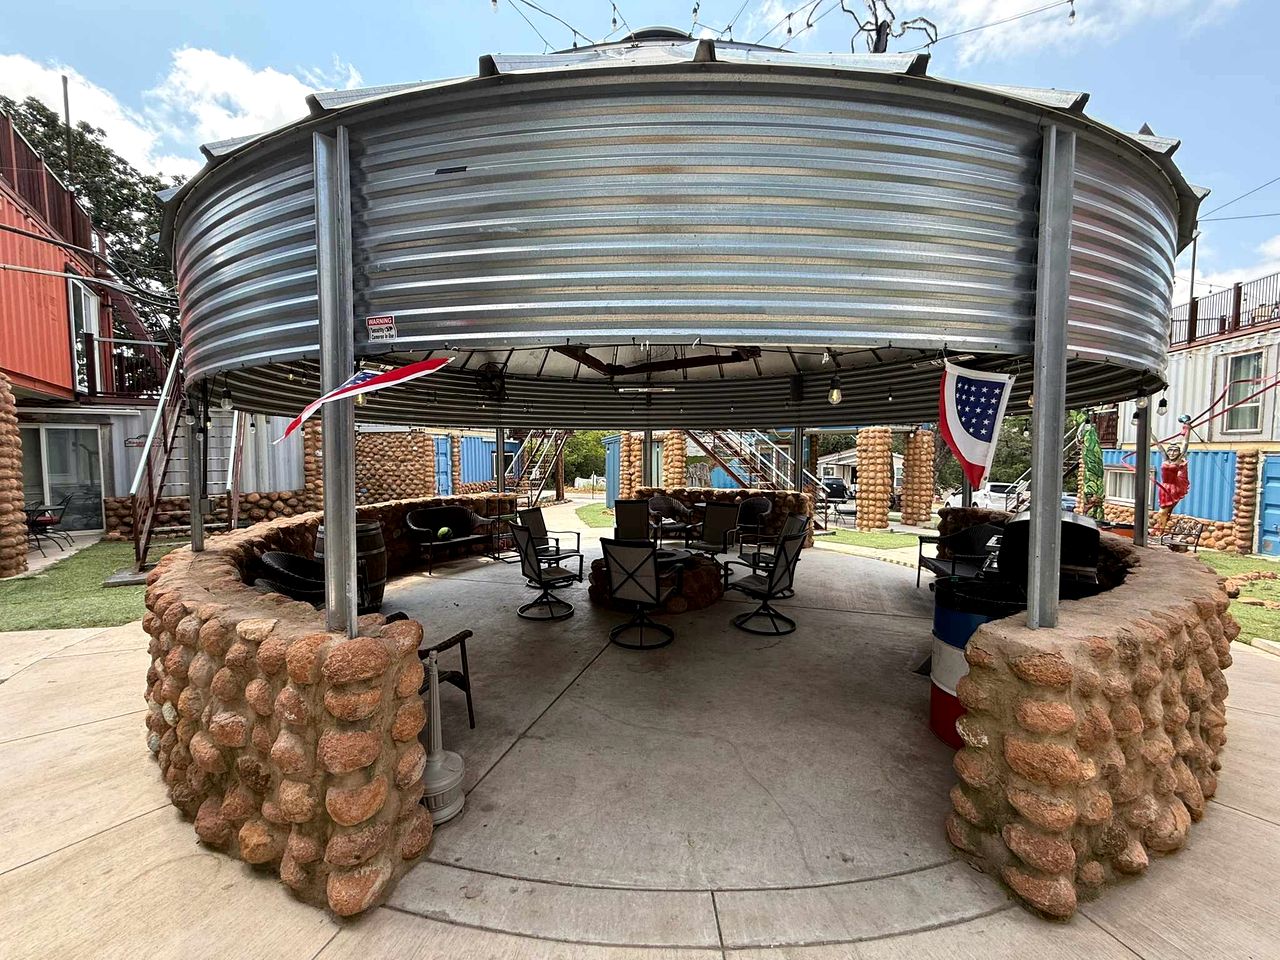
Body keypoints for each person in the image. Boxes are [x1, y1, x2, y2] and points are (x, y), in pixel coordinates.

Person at [1153, 419, 1192, 535]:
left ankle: (1160, 531)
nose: (1172, 453)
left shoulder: (1179, 460)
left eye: (1175, 451)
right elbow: (1158, 445)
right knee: (1165, 512)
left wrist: (1187, 430)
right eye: (1170, 451)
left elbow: (1185, 445)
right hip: (1164, 488)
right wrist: (1149, 432)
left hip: (1174, 488)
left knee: (1162, 512)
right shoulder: (1165, 459)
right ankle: (1159, 530)